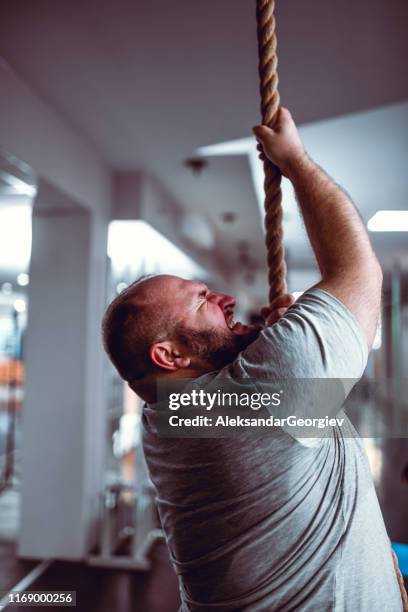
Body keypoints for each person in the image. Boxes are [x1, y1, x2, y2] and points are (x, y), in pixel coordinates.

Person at [102, 109, 404, 611]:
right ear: (169, 355)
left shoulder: (172, 417)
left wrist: (285, 343)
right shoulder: (250, 404)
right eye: (201, 300)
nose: (224, 297)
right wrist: (298, 163)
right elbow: (359, 273)